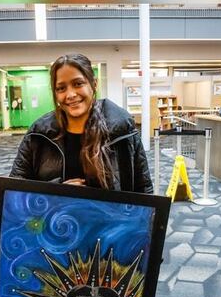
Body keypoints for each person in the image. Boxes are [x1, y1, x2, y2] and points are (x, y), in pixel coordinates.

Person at [9, 53, 153, 193]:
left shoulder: (122, 129)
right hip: (56, 217)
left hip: (110, 217)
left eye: (78, 84)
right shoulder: (39, 134)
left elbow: (143, 190)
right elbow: (15, 190)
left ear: (94, 84)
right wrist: (58, 191)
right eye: (61, 88)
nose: (70, 94)